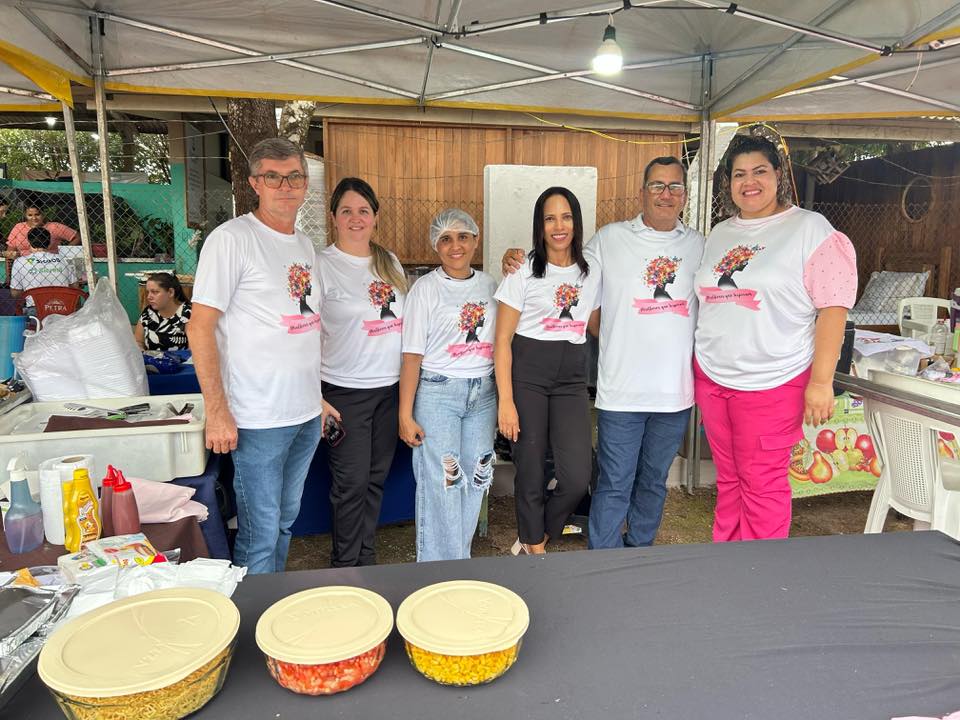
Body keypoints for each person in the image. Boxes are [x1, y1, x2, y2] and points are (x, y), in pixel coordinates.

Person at [502, 157, 705, 549]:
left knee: (653, 482)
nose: (665, 194)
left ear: (684, 195)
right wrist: (516, 258)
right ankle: (605, 560)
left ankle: (638, 552)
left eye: (675, 186)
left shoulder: (699, 246)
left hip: (674, 394)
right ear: (641, 192)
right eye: (657, 185)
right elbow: (565, 264)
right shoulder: (610, 240)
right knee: (613, 483)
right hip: (620, 391)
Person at [693, 134, 857, 542]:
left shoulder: (809, 229)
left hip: (772, 381)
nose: (749, 182)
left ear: (779, 175)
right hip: (714, 377)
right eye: (739, 174)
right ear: (728, 182)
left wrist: (821, 382)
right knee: (729, 479)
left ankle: (761, 570)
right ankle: (726, 558)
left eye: (759, 171)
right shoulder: (721, 234)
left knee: (761, 483)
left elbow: (833, 308)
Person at [187, 137, 329, 575]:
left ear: (305, 184)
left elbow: (301, 328)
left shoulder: (304, 244)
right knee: (260, 531)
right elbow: (199, 327)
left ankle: (272, 601)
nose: (285, 186)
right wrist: (217, 411)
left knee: (284, 522)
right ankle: (252, 611)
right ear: (254, 183)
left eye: (294, 177)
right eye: (273, 177)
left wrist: (317, 398)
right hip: (258, 418)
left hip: (304, 414)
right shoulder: (232, 240)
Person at [494, 187, 601, 554]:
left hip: (571, 379)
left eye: (566, 217)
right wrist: (506, 401)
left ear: (576, 222)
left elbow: (596, 325)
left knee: (577, 476)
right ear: (539, 225)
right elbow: (502, 340)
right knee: (531, 468)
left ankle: (537, 533)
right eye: (550, 218)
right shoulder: (522, 270)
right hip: (528, 376)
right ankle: (533, 546)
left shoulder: (591, 271)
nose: (559, 226)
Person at [317, 177, 407, 567]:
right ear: (334, 217)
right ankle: (343, 568)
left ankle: (365, 561)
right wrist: (316, 396)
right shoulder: (321, 265)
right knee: (350, 484)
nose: (356, 218)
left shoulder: (389, 262)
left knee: (374, 479)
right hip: (343, 392)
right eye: (347, 211)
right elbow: (303, 334)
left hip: (388, 390)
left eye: (364, 211)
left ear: (375, 217)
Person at [399, 209, 498, 562]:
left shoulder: (490, 286)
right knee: (444, 481)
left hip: (483, 395)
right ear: (435, 245)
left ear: (475, 240)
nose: (455, 245)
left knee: (476, 476)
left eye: (462, 237)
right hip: (438, 393)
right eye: (445, 239)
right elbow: (412, 355)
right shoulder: (425, 290)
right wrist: (405, 414)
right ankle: (437, 570)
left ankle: (458, 560)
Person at [9, 226, 80, 314]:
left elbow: (15, 293)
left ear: (29, 243)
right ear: (49, 243)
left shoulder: (20, 262)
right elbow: (75, 287)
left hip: (36, 309)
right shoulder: (64, 260)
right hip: (63, 308)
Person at [134, 273, 192, 351]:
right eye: (148, 292)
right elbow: (138, 341)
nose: (149, 297)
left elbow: (194, 349)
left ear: (171, 292)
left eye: (155, 292)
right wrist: (142, 352)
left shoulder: (188, 314)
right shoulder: (148, 313)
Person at [5, 205, 78, 259]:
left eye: (37, 214)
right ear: (25, 215)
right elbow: (10, 252)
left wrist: (64, 252)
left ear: (43, 214)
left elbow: (77, 237)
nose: (34, 218)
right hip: (25, 264)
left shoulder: (54, 227)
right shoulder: (19, 227)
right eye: (30, 215)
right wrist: (8, 274)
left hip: (50, 262)